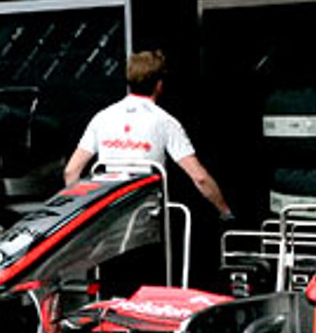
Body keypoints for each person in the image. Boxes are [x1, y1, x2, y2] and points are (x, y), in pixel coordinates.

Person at [63, 50, 234, 220]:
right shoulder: (165, 122)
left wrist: (81, 218)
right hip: (145, 215)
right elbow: (200, 177)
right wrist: (224, 210)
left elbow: (71, 171)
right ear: (159, 85)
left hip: (109, 216)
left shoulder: (102, 117)